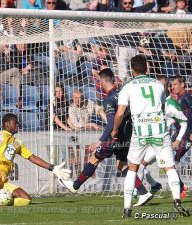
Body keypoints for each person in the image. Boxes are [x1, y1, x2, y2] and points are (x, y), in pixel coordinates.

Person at [58, 68, 153, 207]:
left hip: (113, 139)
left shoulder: (108, 99)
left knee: (94, 159)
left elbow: (111, 124)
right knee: (122, 165)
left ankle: (75, 186)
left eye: (98, 81)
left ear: (102, 81)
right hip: (127, 137)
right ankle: (143, 192)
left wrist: (100, 141)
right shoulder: (122, 93)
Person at [111, 55, 189, 217]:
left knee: (132, 168)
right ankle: (177, 200)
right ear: (147, 68)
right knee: (169, 167)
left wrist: (115, 129)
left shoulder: (128, 87)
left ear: (132, 71)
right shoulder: (158, 85)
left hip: (140, 132)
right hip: (159, 130)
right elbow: (161, 106)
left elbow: (119, 113)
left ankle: (127, 209)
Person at [135, 75, 188, 201]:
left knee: (143, 166)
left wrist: (178, 139)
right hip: (148, 140)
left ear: (166, 87)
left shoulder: (171, 103)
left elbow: (184, 121)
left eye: (163, 85)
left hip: (161, 142)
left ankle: (142, 194)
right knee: (143, 166)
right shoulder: (150, 102)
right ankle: (174, 191)